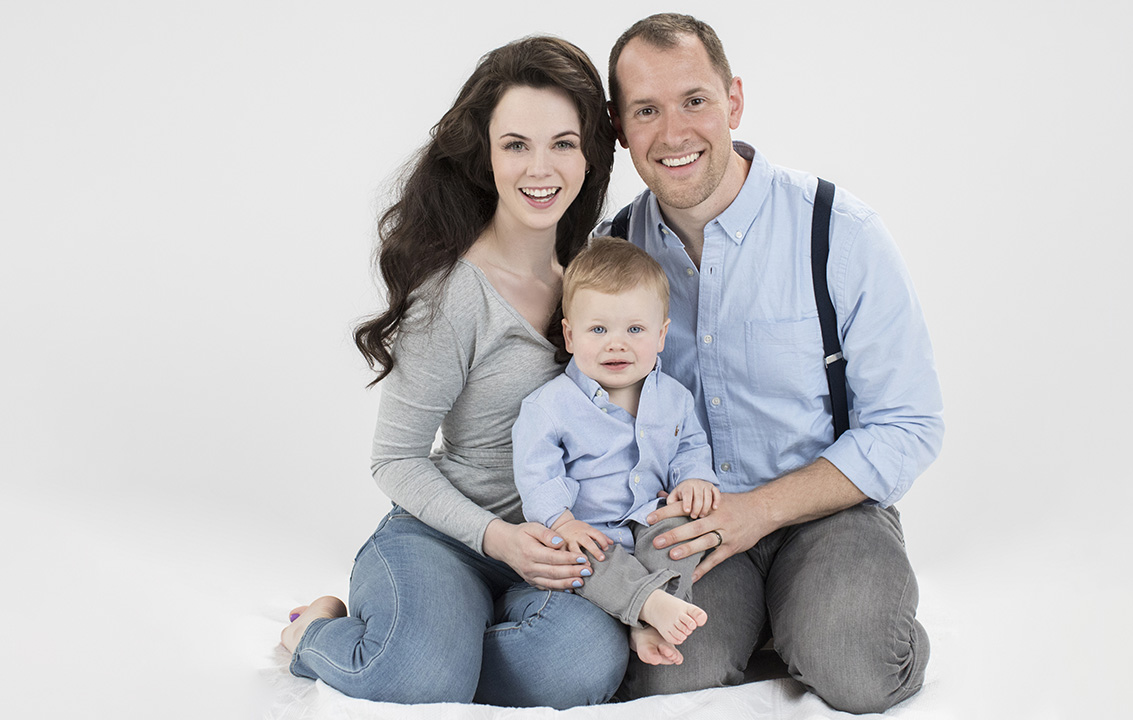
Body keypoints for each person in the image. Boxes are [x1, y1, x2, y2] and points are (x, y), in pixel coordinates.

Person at [599, 13, 945, 714]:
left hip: (829, 512)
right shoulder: (610, 253)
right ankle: (774, 624)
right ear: (618, 127)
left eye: (695, 100)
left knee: (858, 668)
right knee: (668, 680)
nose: (673, 133)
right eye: (646, 111)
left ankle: (823, 620)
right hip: (686, 525)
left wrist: (757, 512)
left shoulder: (838, 231)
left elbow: (910, 423)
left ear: (734, 100)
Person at [278, 36, 628, 708]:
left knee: (581, 663)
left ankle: (440, 640)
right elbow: (395, 460)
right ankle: (316, 634)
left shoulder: (593, 279)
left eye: (562, 142)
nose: (540, 168)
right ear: (486, 156)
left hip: (552, 553)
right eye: (515, 144)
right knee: (418, 679)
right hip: (443, 538)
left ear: (589, 153)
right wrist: (500, 538)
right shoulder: (456, 292)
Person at [511, 237, 719, 667]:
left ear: (662, 335)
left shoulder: (675, 398)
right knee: (578, 557)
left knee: (682, 531)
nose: (616, 344)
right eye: (599, 329)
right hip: (589, 530)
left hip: (648, 519)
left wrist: (695, 479)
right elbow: (537, 474)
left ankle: (645, 622)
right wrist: (562, 521)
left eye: (635, 330)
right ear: (570, 335)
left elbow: (691, 445)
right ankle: (650, 610)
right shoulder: (550, 406)